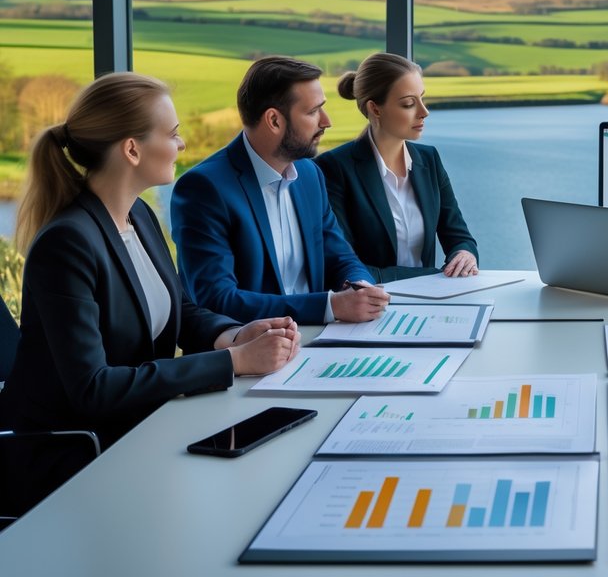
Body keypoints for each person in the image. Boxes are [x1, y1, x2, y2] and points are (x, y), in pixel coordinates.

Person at [0, 73, 300, 514]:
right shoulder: (66, 244)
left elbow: (179, 308)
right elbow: (94, 388)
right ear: (132, 149)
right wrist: (234, 363)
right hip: (74, 457)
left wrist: (235, 337)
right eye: (173, 134)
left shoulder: (138, 214)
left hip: (136, 432)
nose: (181, 146)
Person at [170, 56, 390, 324]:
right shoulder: (204, 189)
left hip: (321, 340)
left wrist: (360, 286)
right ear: (274, 120)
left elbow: (340, 255)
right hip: (248, 352)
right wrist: (329, 307)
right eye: (313, 112)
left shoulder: (310, 174)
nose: (326, 121)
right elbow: (217, 299)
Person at [316, 53, 478, 283]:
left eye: (422, 98)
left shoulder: (429, 159)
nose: (424, 111)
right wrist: (431, 277)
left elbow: (458, 234)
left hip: (430, 301)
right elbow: (344, 268)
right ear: (375, 109)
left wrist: (465, 254)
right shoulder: (332, 168)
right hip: (369, 308)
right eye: (409, 103)